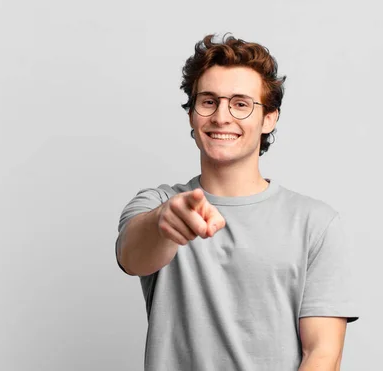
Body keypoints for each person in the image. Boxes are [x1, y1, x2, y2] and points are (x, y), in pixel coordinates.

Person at [115, 33, 359, 371]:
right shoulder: (157, 203)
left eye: (241, 103)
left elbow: (322, 354)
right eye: (208, 101)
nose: (221, 116)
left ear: (269, 118)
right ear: (191, 114)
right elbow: (133, 257)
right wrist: (165, 224)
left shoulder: (315, 223)